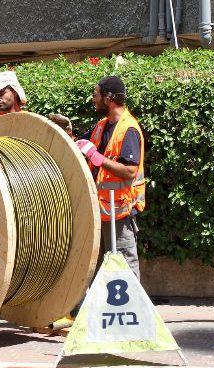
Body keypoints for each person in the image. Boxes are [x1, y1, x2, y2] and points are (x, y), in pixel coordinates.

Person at [54, 76, 145, 279]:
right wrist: (67, 133)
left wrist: (97, 158)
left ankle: (132, 310)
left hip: (120, 213)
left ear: (108, 98)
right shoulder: (102, 126)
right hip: (101, 211)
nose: (93, 99)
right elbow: (79, 144)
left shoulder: (128, 129)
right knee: (99, 269)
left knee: (125, 268)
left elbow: (130, 171)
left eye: (96, 94)